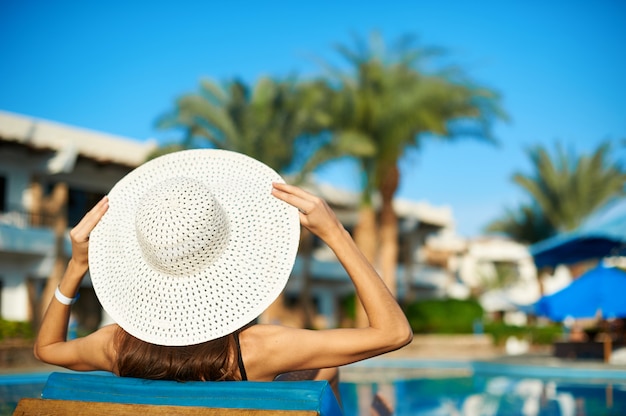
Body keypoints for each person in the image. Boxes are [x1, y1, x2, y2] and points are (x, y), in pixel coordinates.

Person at [34, 149, 412, 406]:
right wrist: (336, 235)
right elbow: (394, 333)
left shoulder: (115, 347)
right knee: (330, 371)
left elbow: (47, 349)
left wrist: (77, 267)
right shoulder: (261, 349)